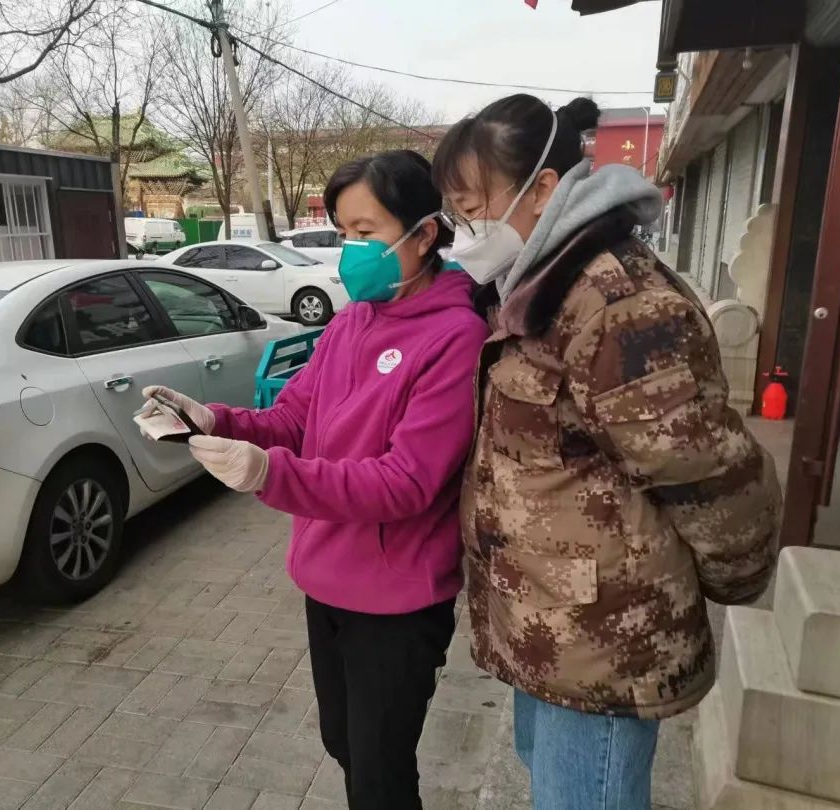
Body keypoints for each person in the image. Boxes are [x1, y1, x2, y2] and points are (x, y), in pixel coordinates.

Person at [432, 95, 782, 810]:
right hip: (553, 624)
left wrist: (738, 579)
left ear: (542, 188)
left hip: (604, 635)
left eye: (471, 208)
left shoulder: (616, 302)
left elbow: (707, 472)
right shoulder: (537, 282)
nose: (462, 230)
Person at [141, 150, 489, 809]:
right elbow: (296, 414)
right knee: (343, 744)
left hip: (396, 599)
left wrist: (271, 474)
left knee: (380, 776)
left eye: (369, 233)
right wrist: (212, 417)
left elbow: (406, 482)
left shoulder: (455, 337)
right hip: (324, 580)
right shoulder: (350, 323)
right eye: (344, 233)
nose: (352, 251)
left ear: (425, 234)